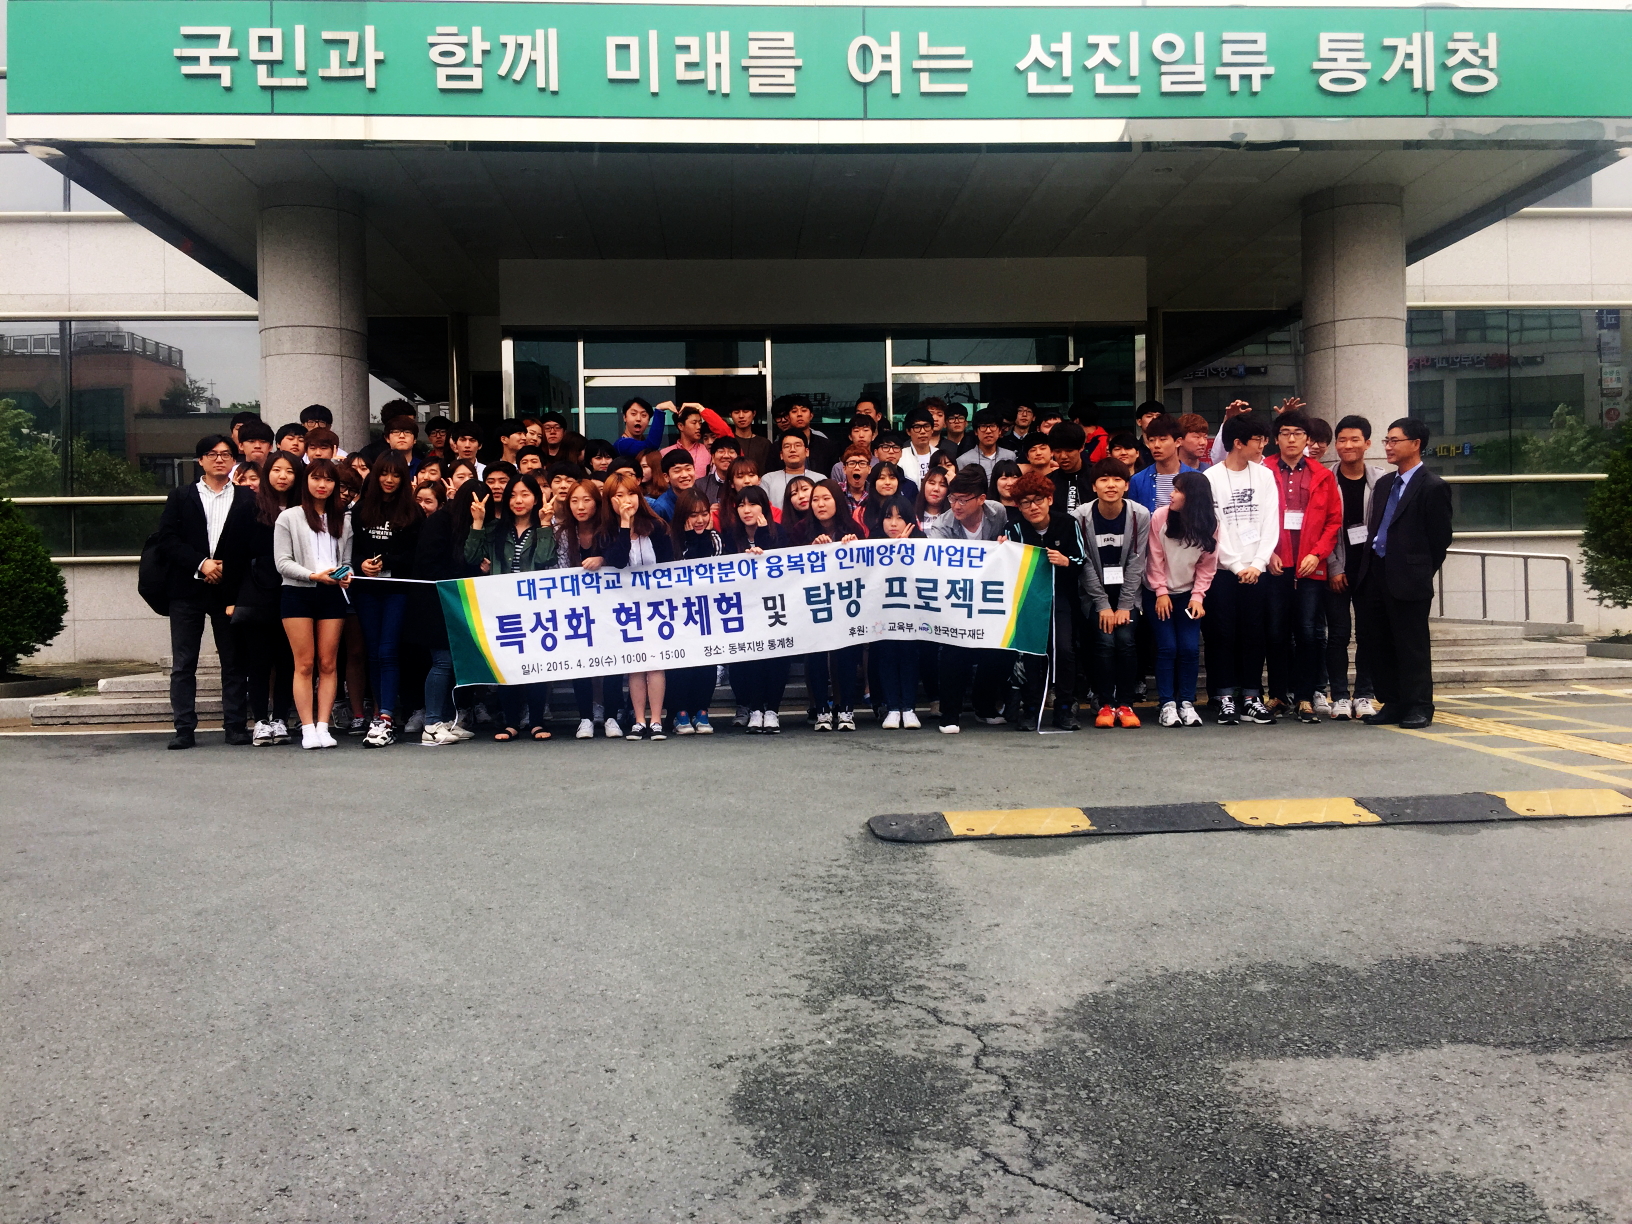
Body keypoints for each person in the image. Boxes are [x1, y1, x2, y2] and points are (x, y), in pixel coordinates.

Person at [153, 435, 258, 748]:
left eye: (226, 454)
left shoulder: (247, 498)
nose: (219, 459)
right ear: (200, 460)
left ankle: (235, 725)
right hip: (187, 588)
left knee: (234, 661)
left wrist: (226, 567)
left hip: (229, 590)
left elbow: (252, 544)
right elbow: (167, 539)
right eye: (212, 454)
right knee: (184, 662)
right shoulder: (181, 496)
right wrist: (202, 564)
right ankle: (184, 728)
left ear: (233, 460)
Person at [1355, 417, 1453, 729]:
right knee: (1378, 642)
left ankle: (1419, 706)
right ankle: (1392, 702)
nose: (1388, 446)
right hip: (1376, 572)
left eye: (1394, 440)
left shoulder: (1433, 486)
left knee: (1411, 645)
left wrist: (1418, 571)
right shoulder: (1384, 484)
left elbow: (1440, 540)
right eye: (1387, 440)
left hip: (1409, 579)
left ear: (1416, 444)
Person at [463, 473, 560, 742]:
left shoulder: (543, 527)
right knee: (506, 665)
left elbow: (546, 558)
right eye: (513, 495)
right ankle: (511, 723)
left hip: (534, 605)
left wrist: (544, 524)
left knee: (536, 664)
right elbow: (471, 556)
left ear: (536, 499)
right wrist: (478, 522)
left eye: (525, 494)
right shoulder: (496, 529)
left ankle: (537, 721)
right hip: (502, 605)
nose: (518, 500)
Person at [1262, 411, 1342, 724]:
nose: (1292, 439)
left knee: (1308, 632)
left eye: (1298, 433)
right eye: (1285, 433)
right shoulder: (1264, 471)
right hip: (1275, 564)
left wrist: (1317, 554)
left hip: (1310, 566)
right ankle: (1278, 694)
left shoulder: (1322, 475)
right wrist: (1267, 553)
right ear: (1276, 438)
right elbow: (1256, 517)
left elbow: (1333, 521)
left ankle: (1306, 696)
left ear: (1307, 439)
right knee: (1275, 632)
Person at [1202, 412, 1278, 725]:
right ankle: (1223, 697)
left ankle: (1251, 696)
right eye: (1257, 440)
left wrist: (1258, 563)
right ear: (1237, 443)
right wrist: (1235, 565)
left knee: (1254, 634)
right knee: (1222, 634)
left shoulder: (1264, 476)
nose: (1262, 446)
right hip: (1222, 572)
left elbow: (1270, 521)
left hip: (1257, 571)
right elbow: (1213, 526)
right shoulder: (1211, 477)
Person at [273, 457, 354, 750]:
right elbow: (282, 563)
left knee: (328, 663)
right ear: (306, 481)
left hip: (332, 594)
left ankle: (323, 726)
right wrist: (313, 575)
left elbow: (346, 561)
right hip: (297, 593)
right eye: (316, 478)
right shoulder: (289, 517)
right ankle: (307, 727)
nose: (322, 485)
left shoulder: (343, 520)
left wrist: (346, 575)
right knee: (304, 663)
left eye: (329, 480)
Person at [349, 452, 424, 748]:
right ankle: (380, 713)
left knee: (388, 650)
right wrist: (361, 564)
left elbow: (416, 556)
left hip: (398, 590)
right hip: (366, 589)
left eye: (395, 474)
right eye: (384, 473)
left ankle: (387, 716)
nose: (389, 480)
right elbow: (351, 548)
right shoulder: (361, 509)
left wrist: (386, 562)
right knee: (373, 652)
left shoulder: (413, 511)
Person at [928, 467, 1010, 732]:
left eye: (963, 500)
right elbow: (939, 563)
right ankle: (950, 713)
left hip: (988, 595)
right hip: (956, 594)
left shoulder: (998, 513)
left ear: (981, 499)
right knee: (954, 650)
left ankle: (984, 708)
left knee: (997, 650)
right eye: (952, 498)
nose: (956, 505)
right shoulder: (942, 524)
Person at [1004, 472, 1088, 731]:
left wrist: (1065, 561)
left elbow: (1081, 559)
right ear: (1018, 506)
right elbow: (1005, 566)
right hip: (1028, 600)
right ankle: (1031, 709)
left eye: (1038, 500)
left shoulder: (1068, 523)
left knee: (1064, 650)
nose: (1033, 507)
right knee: (1032, 653)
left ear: (1050, 499)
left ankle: (1064, 708)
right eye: (1025, 502)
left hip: (1061, 597)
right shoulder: (1013, 529)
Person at [600, 471, 675, 740]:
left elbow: (668, 564)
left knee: (655, 663)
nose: (626, 500)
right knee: (636, 663)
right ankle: (639, 719)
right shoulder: (606, 532)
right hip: (625, 609)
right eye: (619, 495)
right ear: (609, 501)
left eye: (631, 493)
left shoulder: (657, 527)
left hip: (657, 605)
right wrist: (624, 523)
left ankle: (656, 720)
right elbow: (619, 561)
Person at [1077, 458, 1148, 729]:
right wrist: (1103, 604)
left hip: (1128, 595)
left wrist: (1125, 605)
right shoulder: (1081, 516)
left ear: (1126, 485)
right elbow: (1084, 563)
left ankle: (1126, 704)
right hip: (1094, 596)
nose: (1111, 485)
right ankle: (1106, 703)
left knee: (1126, 639)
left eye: (1117, 479)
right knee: (1105, 641)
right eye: (1104, 479)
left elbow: (1137, 561)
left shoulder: (1139, 515)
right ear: (1094, 486)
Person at [1144, 471, 1219, 728]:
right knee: (1167, 647)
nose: (1171, 495)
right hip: (1158, 593)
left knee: (1189, 648)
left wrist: (1198, 596)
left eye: (1177, 491)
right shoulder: (1160, 516)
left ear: (1193, 497)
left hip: (1188, 595)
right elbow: (1154, 558)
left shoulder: (1210, 524)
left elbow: (1207, 565)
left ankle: (1186, 702)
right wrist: (1161, 592)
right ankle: (1167, 703)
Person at [1325, 415, 1385, 721]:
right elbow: (1320, 527)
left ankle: (1363, 694)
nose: (1347, 445)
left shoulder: (1381, 480)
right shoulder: (1325, 479)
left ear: (1367, 443)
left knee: (1368, 635)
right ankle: (1338, 695)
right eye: (1342, 440)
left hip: (1369, 571)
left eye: (1354, 440)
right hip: (1336, 568)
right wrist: (1333, 567)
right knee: (1337, 635)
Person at [554, 478, 618, 739]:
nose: (580, 506)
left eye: (586, 500)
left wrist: (603, 559)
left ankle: (611, 716)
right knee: (581, 663)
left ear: (597, 503)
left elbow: (622, 560)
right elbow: (558, 570)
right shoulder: (562, 533)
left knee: (613, 661)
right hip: (576, 608)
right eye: (574, 501)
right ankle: (585, 718)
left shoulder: (609, 531)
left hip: (610, 606)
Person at [722, 486, 789, 732]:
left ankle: (772, 710)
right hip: (744, 608)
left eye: (752, 504)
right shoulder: (730, 536)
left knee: (776, 658)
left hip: (775, 606)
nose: (746, 510)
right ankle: (755, 708)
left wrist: (762, 539)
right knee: (751, 659)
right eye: (741, 505)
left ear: (765, 507)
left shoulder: (779, 532)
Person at [666, 489, 723, 735]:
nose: (700, 520)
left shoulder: (715, 538)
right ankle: (679, 713)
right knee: (680, 663)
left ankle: (702, 710)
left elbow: (709, 569)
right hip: (677, 612)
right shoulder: (670, 539)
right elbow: (682, 569)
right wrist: (690, 538)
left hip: (707, 610)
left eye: (704, 514)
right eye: (693, 515)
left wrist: (699, 538)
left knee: (706, 661)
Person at [871, 495, 926, 728]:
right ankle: (892, 707)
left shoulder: (921, 542)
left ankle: (909, 708)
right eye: (888, 517)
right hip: (883, 613)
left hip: (912, 612)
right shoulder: (872, 542)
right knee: (886, 655)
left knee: (909, 656)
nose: (893, 523)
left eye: (900, 518)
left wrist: (905, 549)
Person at [1127, 413, 1196, 512]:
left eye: (1163, 440)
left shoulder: (1195, 478)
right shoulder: (1137, 480)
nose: (1156, 445)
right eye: (1151, 440)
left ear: (1178, 442)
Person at [1046, 422, 1095, 514]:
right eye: (1058, 451)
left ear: (1081, 447)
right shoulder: (1047, 482)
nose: (1063, 456)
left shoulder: (1098, 476)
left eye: (1069, 450)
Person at [761, 432, 816, 507]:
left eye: (797, 445)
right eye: (787, 446)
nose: (792, 450)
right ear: (781, 455)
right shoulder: (768, 480)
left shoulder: (819, 479)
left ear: (807, 452)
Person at [964, 408, 1017, 477]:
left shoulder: (1010, 456)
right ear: (976, 432)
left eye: (992, 426)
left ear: (1000, 430)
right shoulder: (964, 460)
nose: (988, 431)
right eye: (983, 426)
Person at [649, 448, 697, 520]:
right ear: (666, 477)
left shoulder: (699, 496)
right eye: (677, 471)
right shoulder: (661, 507)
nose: (684, 475)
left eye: (688, 469)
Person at [901, 409, 941, 484]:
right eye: (917, 427)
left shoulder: (940, 455)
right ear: (908, 431)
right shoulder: (901, 457)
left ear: (932, 429)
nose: (923, 431)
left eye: (926, 426)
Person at [700, 437, 739, 505]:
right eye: (721, 451)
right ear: (713, 457)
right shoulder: (700, 485)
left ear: (738, 458)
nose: (726, 456)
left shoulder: (745, 484)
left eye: (731, 452)